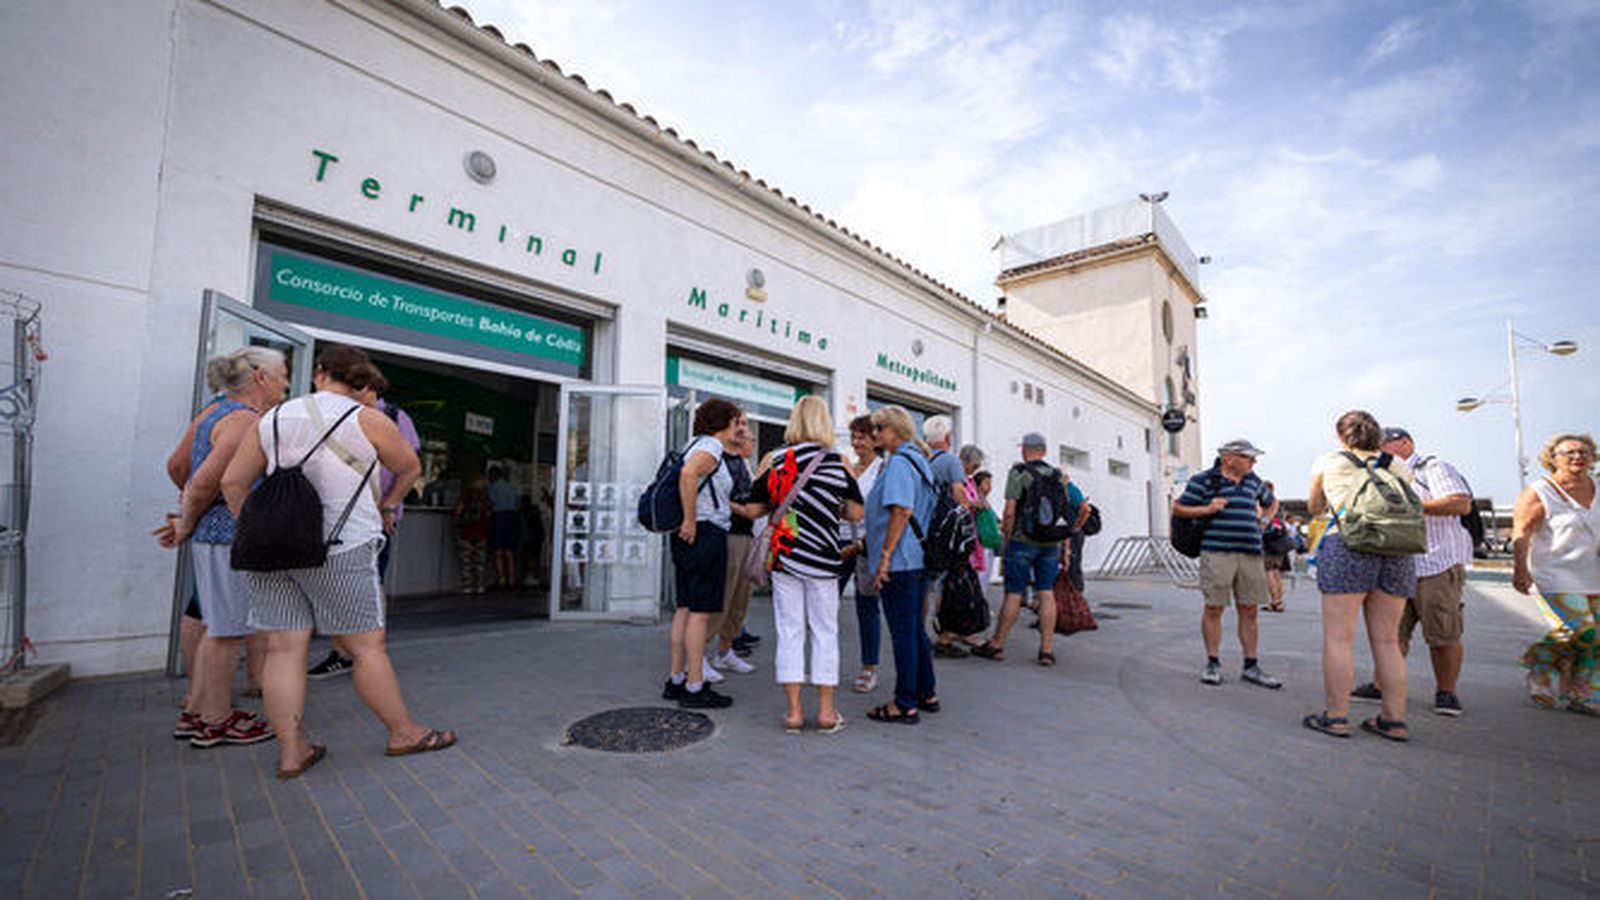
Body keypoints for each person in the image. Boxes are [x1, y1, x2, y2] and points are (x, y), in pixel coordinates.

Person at [221, 344, 454, 778]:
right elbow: (409, 466)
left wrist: (256, 526)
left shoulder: (271, 419)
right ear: (361, 380)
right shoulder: (367, 419)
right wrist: (389, 504)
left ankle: (292, 752)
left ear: (321, 372)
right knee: (367, 649)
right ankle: (402, 732)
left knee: (283, 650)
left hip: (271, 552)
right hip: (342, 547)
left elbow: (233, 482)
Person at [154, 346, 287, 748]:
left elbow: (180, 469)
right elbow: (207, 481)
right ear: (261, 377)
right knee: (227, 632)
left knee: (220, 628)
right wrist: (187, 522)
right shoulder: (245, 421)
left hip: (214, 538)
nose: (286, 381)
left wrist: (189, 520)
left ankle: (198, 713)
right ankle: (216, 720)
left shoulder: (213, 413)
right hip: (229, 538)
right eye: (283, 373)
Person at [746, 396, 863, 731]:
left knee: (790, 631)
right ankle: (827, 712)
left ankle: (794, 712)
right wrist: (829, 509)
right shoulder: (838, 461)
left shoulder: (775, 459)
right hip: (825, 559)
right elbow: (856, 512)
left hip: (786, 557)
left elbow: (755, 509)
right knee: (825, 631)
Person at [1301, 411, 1415, 741]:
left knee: (1339, 638)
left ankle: (1336, 717)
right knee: (1388, 641)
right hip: (1396, 550)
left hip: (1348, 544)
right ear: (1377, 436)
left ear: (1341, 436)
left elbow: (1314, 506)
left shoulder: (1328, 461)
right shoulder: (1397, 464)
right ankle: (1394, 720)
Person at [1349, 428, 1474, 716]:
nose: (1378, 450)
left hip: (1437, 563)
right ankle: (1382, 685)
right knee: (1390, 634)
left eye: (1384, 444)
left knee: (1443, 634)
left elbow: (1460, 503)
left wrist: (1410, 506)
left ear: (1405, 443)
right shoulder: (1380, 475)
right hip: (1397, 565)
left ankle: (1446, 692)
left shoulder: (1432, 468)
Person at [308, 363, 418, 679]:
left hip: (374, 517)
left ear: (369, 389)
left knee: (370, 580)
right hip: (335, 514)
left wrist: (390, 505)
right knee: (338, 583)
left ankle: (360, 652)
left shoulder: (394, 418)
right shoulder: (344, 415)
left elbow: (410, 467)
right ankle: (349, 651)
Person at [1173, 439, 1283, 690]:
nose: (1253, 463)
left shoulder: (1253, 480)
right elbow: (1179, 508)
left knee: (1250, 610)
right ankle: (1213, 663)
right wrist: (1207, 509)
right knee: (1214, 608)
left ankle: (1251, 665)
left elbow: (1271, 501)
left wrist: (1265, 520)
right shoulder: (1204, 481)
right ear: (1229, 458)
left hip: (1251, 553)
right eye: (1249, 458)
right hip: (1217, 552)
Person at [661, 397, 742, 709]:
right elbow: (688, 475)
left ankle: (676, 679)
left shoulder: (692, 443)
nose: (738, 427)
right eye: (736, 422)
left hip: (689, 535)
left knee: (684, 608)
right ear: (724, 423)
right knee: (700, 611)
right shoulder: (710, 447)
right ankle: (695, 686)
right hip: (704, 533)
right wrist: (691, 519)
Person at [1512, 433, 1600, 715]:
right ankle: (1538, 665)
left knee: (1596, 637)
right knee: (1583, 632)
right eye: (1569, 452)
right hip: (1554, 573)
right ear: (1553, 458)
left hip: (1593, 572)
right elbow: (1521, 532)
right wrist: (1520, 569)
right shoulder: (1541, 491)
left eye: (1584, 451)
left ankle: (1582, 695)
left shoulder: (1598, 487)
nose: (1577, 457)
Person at [865, 405, 938, 724]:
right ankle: (926, 691)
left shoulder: (898, 463)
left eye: (880, 429)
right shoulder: (920, 461)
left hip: (901, 560)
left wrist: (883, 558)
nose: (876, 434)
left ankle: (904, 702)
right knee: (914, 629)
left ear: (895, 431)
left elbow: (901, 511)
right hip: (917, 557)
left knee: (902, 633)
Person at [972, 433, 1066, 667]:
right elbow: (1063, 511)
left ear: (1025, 449)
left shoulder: (1019, 472)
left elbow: (1010, 510)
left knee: (1014, 593)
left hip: (1023, 541)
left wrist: (1009, 536)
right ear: (1043, 451)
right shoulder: (1057, 475)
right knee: (1046, 593)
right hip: (1050, 543)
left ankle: (997, 643)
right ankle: (1046, 650)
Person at [709, 415, 761, 675]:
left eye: (746, 429)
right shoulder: (717, 459)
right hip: (728, 535)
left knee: (740, 602)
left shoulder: (743, 463)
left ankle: (724, 652)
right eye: (738, 425)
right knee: (722, 599)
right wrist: (744, 510)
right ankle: (697, 659)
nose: (744, 433)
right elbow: (714, 498)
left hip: (747, 536)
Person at [840, 414, 885, 693]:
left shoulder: (882, 470)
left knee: (867, 607)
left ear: (875, 439)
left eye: (862, 437)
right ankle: (823, 662)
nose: (856, 443)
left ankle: (869, 667)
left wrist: (860, 545)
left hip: (866, 546)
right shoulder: (849, 467)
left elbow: (881, 515)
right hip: (838, 541)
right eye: (854, 437)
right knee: (824, 604)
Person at [933, 444, 989, 655]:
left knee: (960, 586)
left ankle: (958, 630)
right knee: (951, 586)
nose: (974, 469)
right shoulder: (956, 480)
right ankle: (946, 633)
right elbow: (960, 504)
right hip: (955, 542)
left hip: (965, 540)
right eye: (973, 465)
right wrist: (974, 505)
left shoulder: (967, 480)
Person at [453, 475, 493, 594]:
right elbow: (489, 513)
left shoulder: (466, 497)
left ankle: (467, 586)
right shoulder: (485, 498)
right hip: (481, 532)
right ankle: (479, 585)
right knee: (480, 561)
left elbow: (457, 512)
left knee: (466, 561)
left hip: (466, 532)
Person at [487, 465, 521, 588]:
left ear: (493, 475)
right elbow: (518, 503)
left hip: (499, 517)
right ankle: (511, 579)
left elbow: (489, 503)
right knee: (510, 550)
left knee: (498, 550)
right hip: (513, 517)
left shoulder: (493, 487)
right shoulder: (512, 487)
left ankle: (501, 579)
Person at [1259, 481, 1290, 613]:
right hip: (1279, 541)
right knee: (1277, 573)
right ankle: (1279, 601)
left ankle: (1274, 601)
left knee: (1269, 571)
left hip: (1269, 541)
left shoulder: (1265, 504)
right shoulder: (1279, 505)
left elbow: (1259, 518)